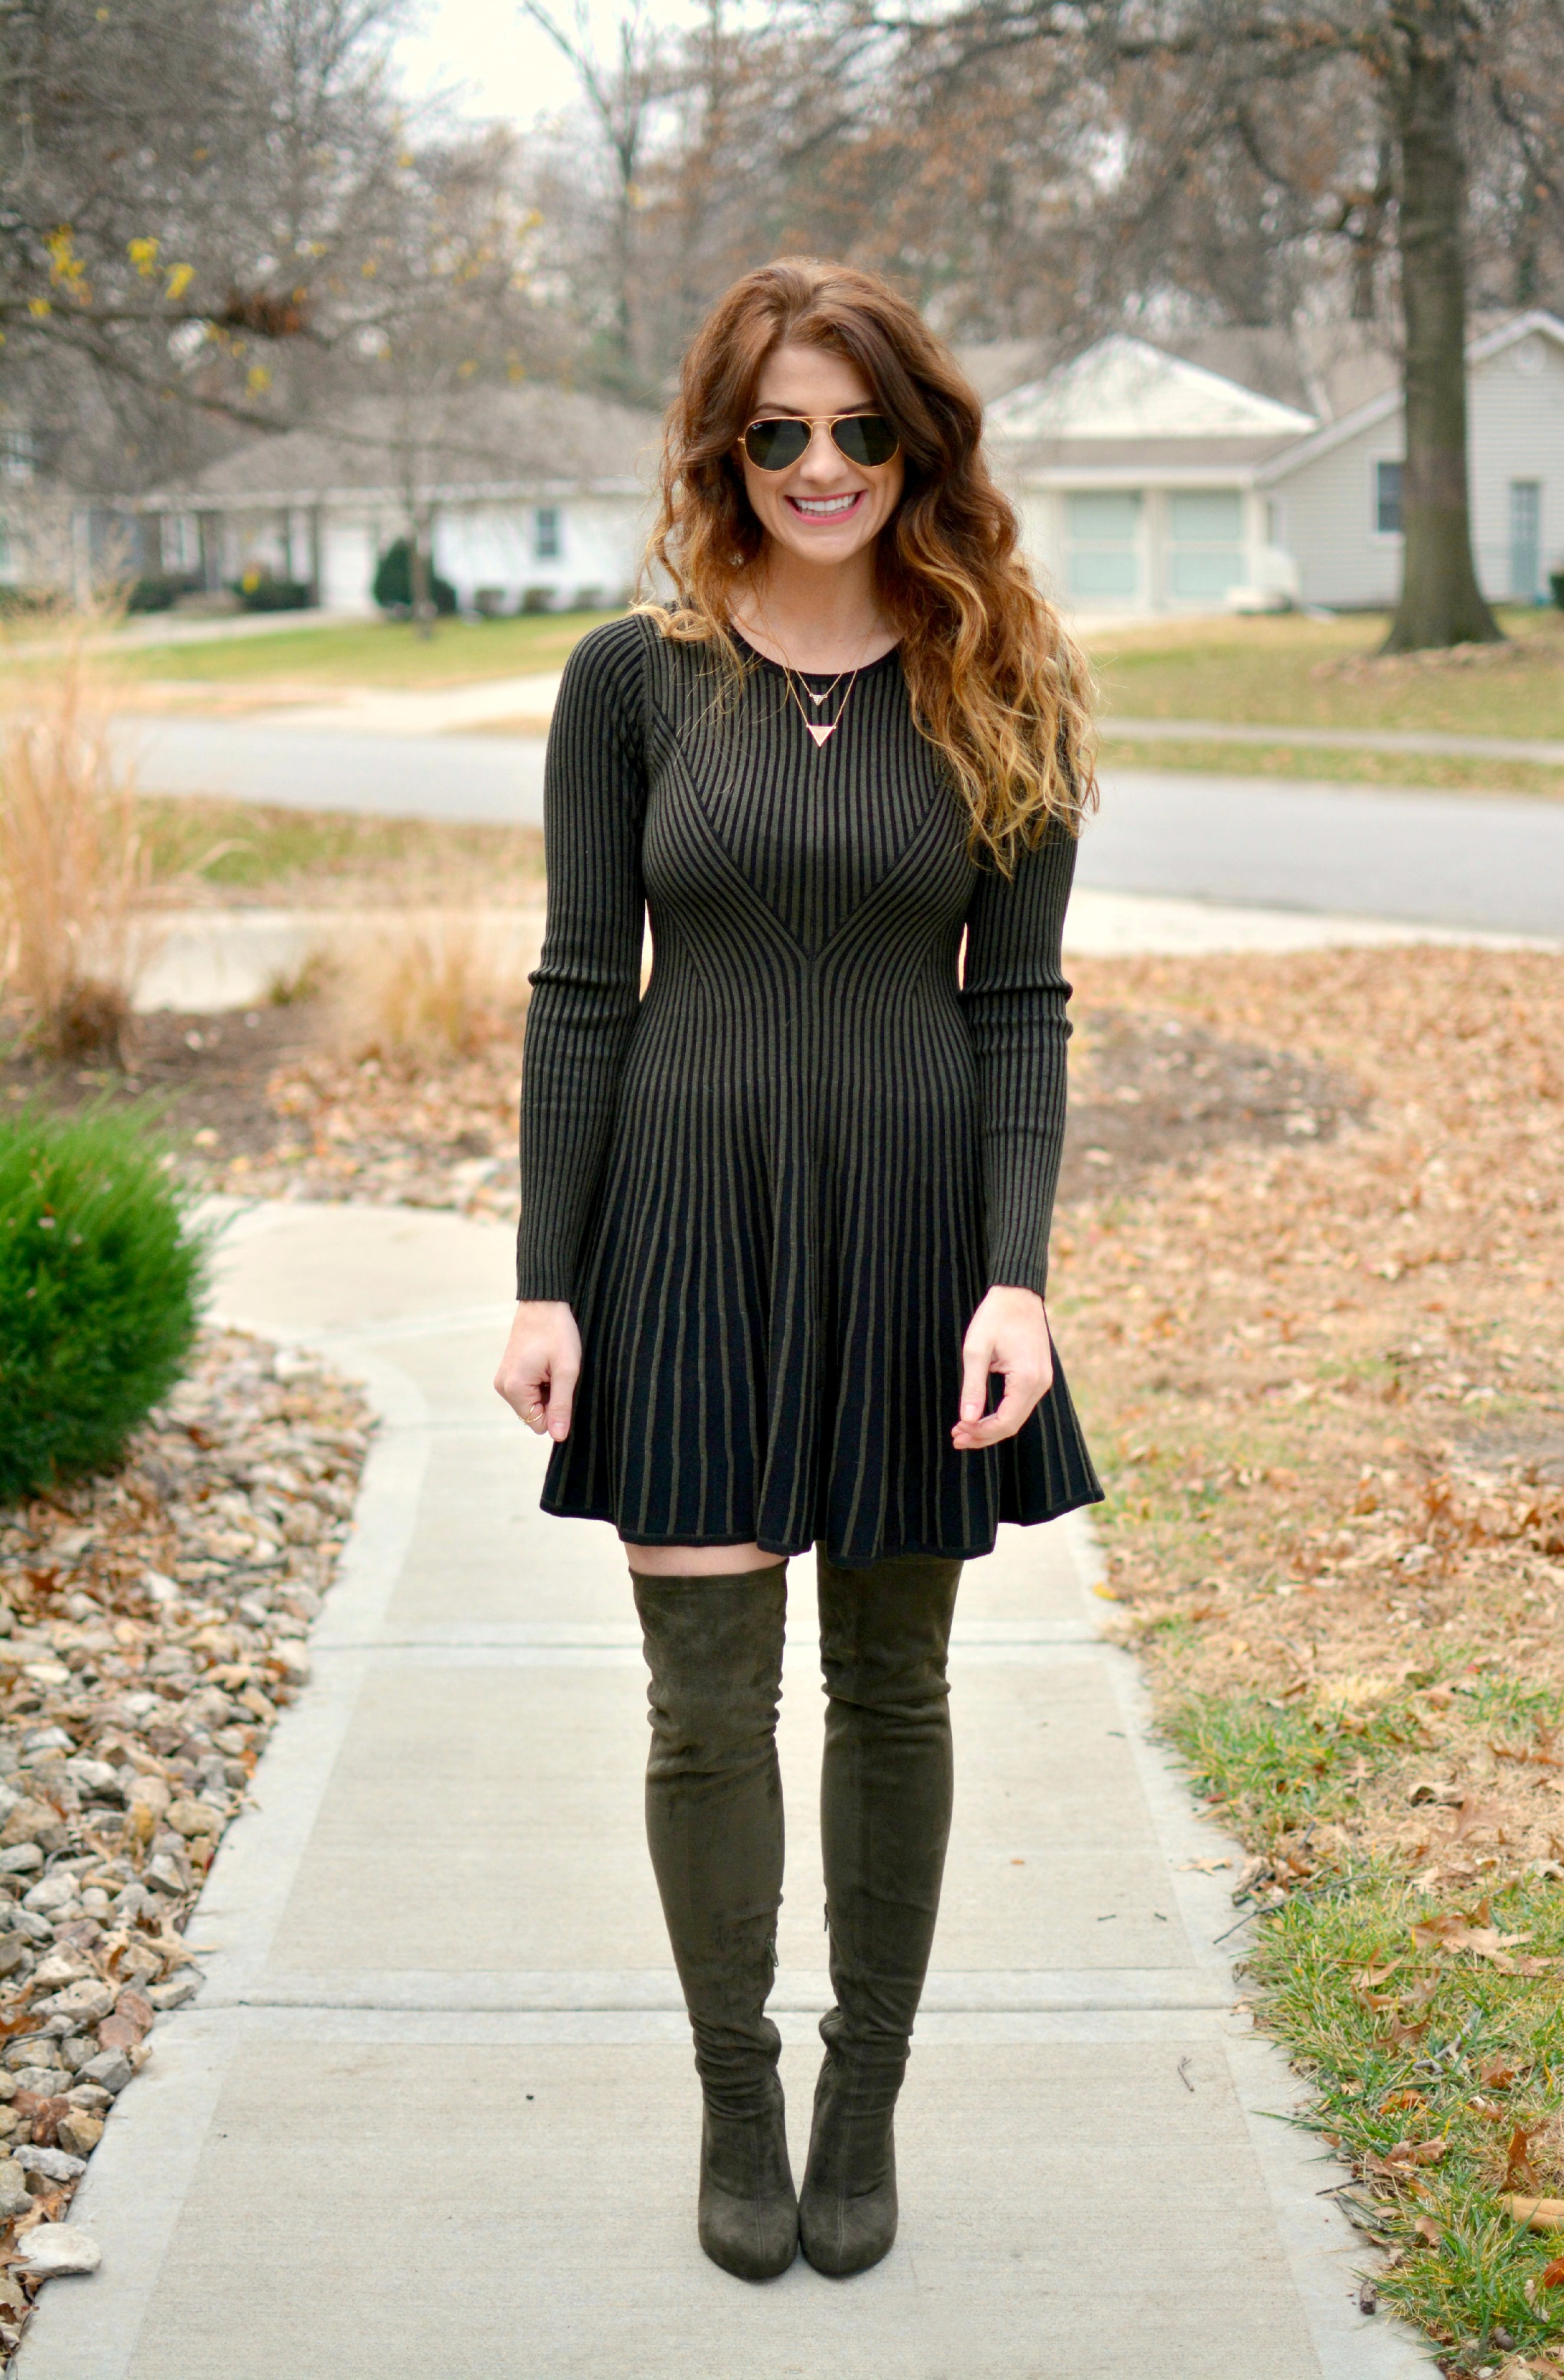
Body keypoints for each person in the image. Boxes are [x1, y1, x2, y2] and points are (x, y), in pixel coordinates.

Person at [494, 255, 1102, 2284]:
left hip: (922, 1241)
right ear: (721, 445)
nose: (821, 465)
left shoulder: (1000, 678)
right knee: (701, 1713)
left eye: (858, 429)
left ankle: (864, 2100)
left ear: (914, 442)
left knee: (896, 1693)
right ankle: (737, 2103)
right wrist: (544, 1280)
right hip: (679, 1235)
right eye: (778, 432)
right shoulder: (631, 680)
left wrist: (1013, 1277)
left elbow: (1017, 1008)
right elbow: (585, 986)